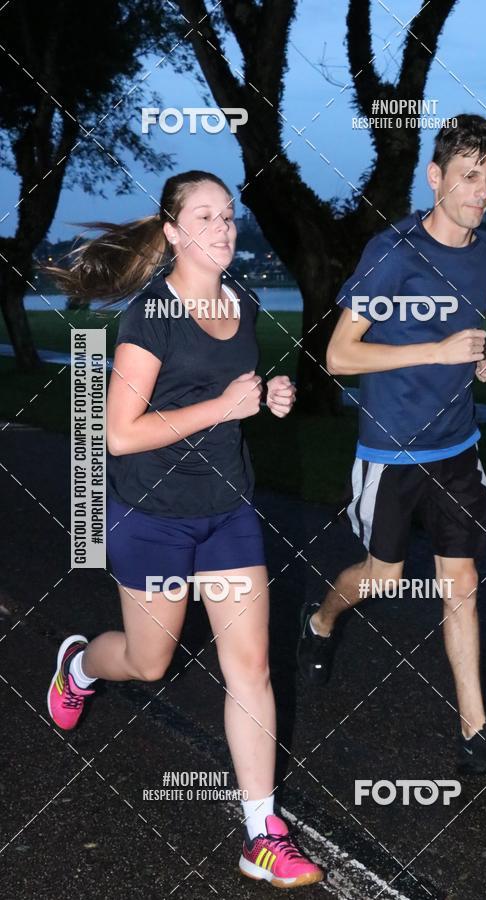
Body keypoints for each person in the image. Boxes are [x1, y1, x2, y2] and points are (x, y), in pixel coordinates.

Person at [46, 170, 323, 889]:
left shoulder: (245, 301)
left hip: (227, 511)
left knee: (252, 669)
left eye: (229, 216)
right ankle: (79, 666)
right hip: (153, 517)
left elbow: (231, 394)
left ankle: (262, 831)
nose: (225, 229)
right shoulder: (151, 318)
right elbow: (118, 434)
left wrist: (270, 398)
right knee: (148, 664)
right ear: (173, 233)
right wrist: (226, 407)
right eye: (206, 217)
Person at [296, 115, 486, 777]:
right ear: (436, 178)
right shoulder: (392, 252)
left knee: (460, 583)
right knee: (383, 579)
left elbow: (463, 331)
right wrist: (435, 348)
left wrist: (478, 361)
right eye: (468, 176)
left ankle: (475, 730)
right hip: (392, 452)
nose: (481, 192)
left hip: (457, 448)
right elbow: (339, 356)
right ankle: (320, 621)